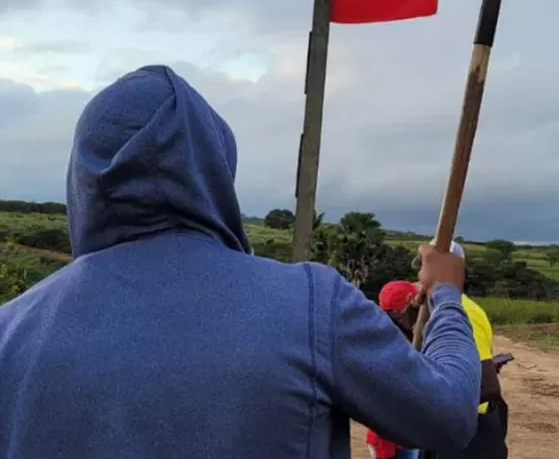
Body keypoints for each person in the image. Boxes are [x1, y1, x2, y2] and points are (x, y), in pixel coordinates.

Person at [0, 65, 482, 459]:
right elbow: (449, 414)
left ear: (82, 179)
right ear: (215, 174)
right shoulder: (312, 304)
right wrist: (445, 294)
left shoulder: (10, 330)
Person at [413, 241, 508, 459]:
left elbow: (488, 386)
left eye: (428, 266)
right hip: (447, 427)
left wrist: (433, 398)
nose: (421, 273)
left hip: (467, 434)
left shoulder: (462, 311)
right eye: (422, 266)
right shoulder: (435, 309)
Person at [367, 281, 424, 459]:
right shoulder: (395, 346)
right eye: (415, 306)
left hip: (399, 435)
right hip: (392, 440)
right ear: (402, 313)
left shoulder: (384, 335)